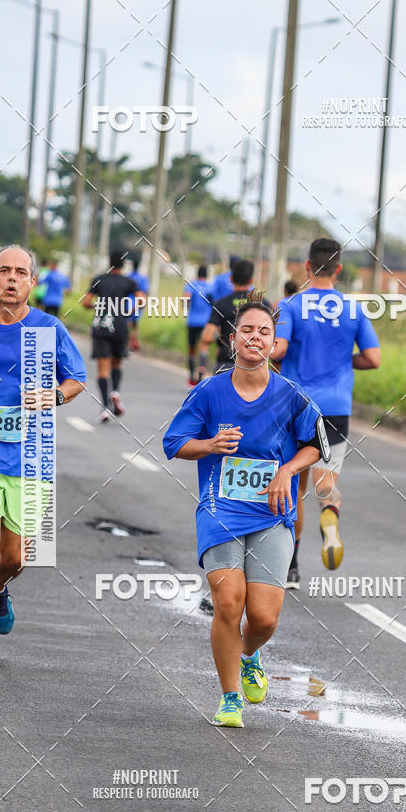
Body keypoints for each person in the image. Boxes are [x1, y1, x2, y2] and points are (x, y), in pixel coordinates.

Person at [163, 298, 328, 727]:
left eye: (264, 332)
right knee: (228, 601)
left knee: (264, 618)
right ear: (233, 339)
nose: (256, 338)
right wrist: (209, 445)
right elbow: (173, 442)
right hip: (220, 509)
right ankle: (230, 697)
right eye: (248, 330)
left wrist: (287, 471)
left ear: (275, 344)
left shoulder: (291, 395)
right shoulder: (209, 391)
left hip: (272, 512)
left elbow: (317, 445)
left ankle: (249, 654)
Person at [0, 244, 86, 662]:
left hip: (31, 454)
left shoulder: (47, 329)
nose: (11, 278)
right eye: (4, 271)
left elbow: (76, 378)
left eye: (20, 272)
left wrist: (54, 396)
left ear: (32, 282)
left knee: (16, 555)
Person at [272, 237, 380, 587]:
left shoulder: (290, 305)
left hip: (295, 405)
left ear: (307, 266)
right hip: (336, 407)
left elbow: (279, 350)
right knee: (324, 483)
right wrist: (343, 361)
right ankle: (329, 512)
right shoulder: (354, 309)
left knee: (293, 485)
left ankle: (290, 567)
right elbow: (373, 358)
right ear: (339, 269)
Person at [82, 249, 146, 422]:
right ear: (123, 265)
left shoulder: (98, 279)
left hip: (101, 325)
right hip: (120, 326)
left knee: (103, 368)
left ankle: (105, 407)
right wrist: (130, 311)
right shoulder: (129, 282)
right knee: (117, 362)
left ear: (109, 262)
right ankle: (115, 391)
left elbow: (86, 302)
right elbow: (142, 300)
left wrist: (97, 307)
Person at [199, 259, 265, 376]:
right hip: (256, 367)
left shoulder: (221, 304)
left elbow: (207, 337)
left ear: (231, 279)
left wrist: (219, 334)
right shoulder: (263, 304)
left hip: (226, 364)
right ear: (251, 280)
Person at [184, 264, 212, 385]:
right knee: (204, 348)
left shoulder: (191, 285)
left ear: (197, 274)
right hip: (206, 322)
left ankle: (191, 376)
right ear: (207, 275)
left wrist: (187, 309)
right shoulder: (211, 287)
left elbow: (186, 298)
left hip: (192, 321)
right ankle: (201, 375)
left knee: (192, 348)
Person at [126, 253, 148, 352]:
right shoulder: (143, 278)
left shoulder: (127, 277)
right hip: (137, 302)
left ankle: (127, 341)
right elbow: (144, 292)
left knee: (127, 323)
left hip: (127, 302)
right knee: (135, 324)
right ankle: (133, 341)